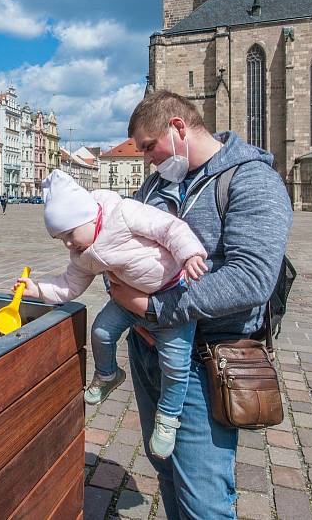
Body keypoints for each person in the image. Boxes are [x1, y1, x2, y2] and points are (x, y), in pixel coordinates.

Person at [107, 90, 292, 519]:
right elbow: (120, 238)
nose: (149, 160)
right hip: (148, 349)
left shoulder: (252, 179)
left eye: (151, 148)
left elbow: (250, 279)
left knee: (203, 498)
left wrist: (152, 307)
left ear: (178, 127)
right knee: (166, 469)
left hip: (204, 360)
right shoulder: (157, 183)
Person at [14, 169, 209, 459]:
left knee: (175, 364)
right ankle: (108, 374)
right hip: (126, 301)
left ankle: (168, 417)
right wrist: (38, 289)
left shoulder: (125, 213)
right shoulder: (83, 253)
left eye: (69, 234)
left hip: (171, 295)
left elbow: (169, 228)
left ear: (88, 217)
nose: (68, 243)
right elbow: (69, 285)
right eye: (61, 239)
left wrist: (190, 254)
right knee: (101, 331)